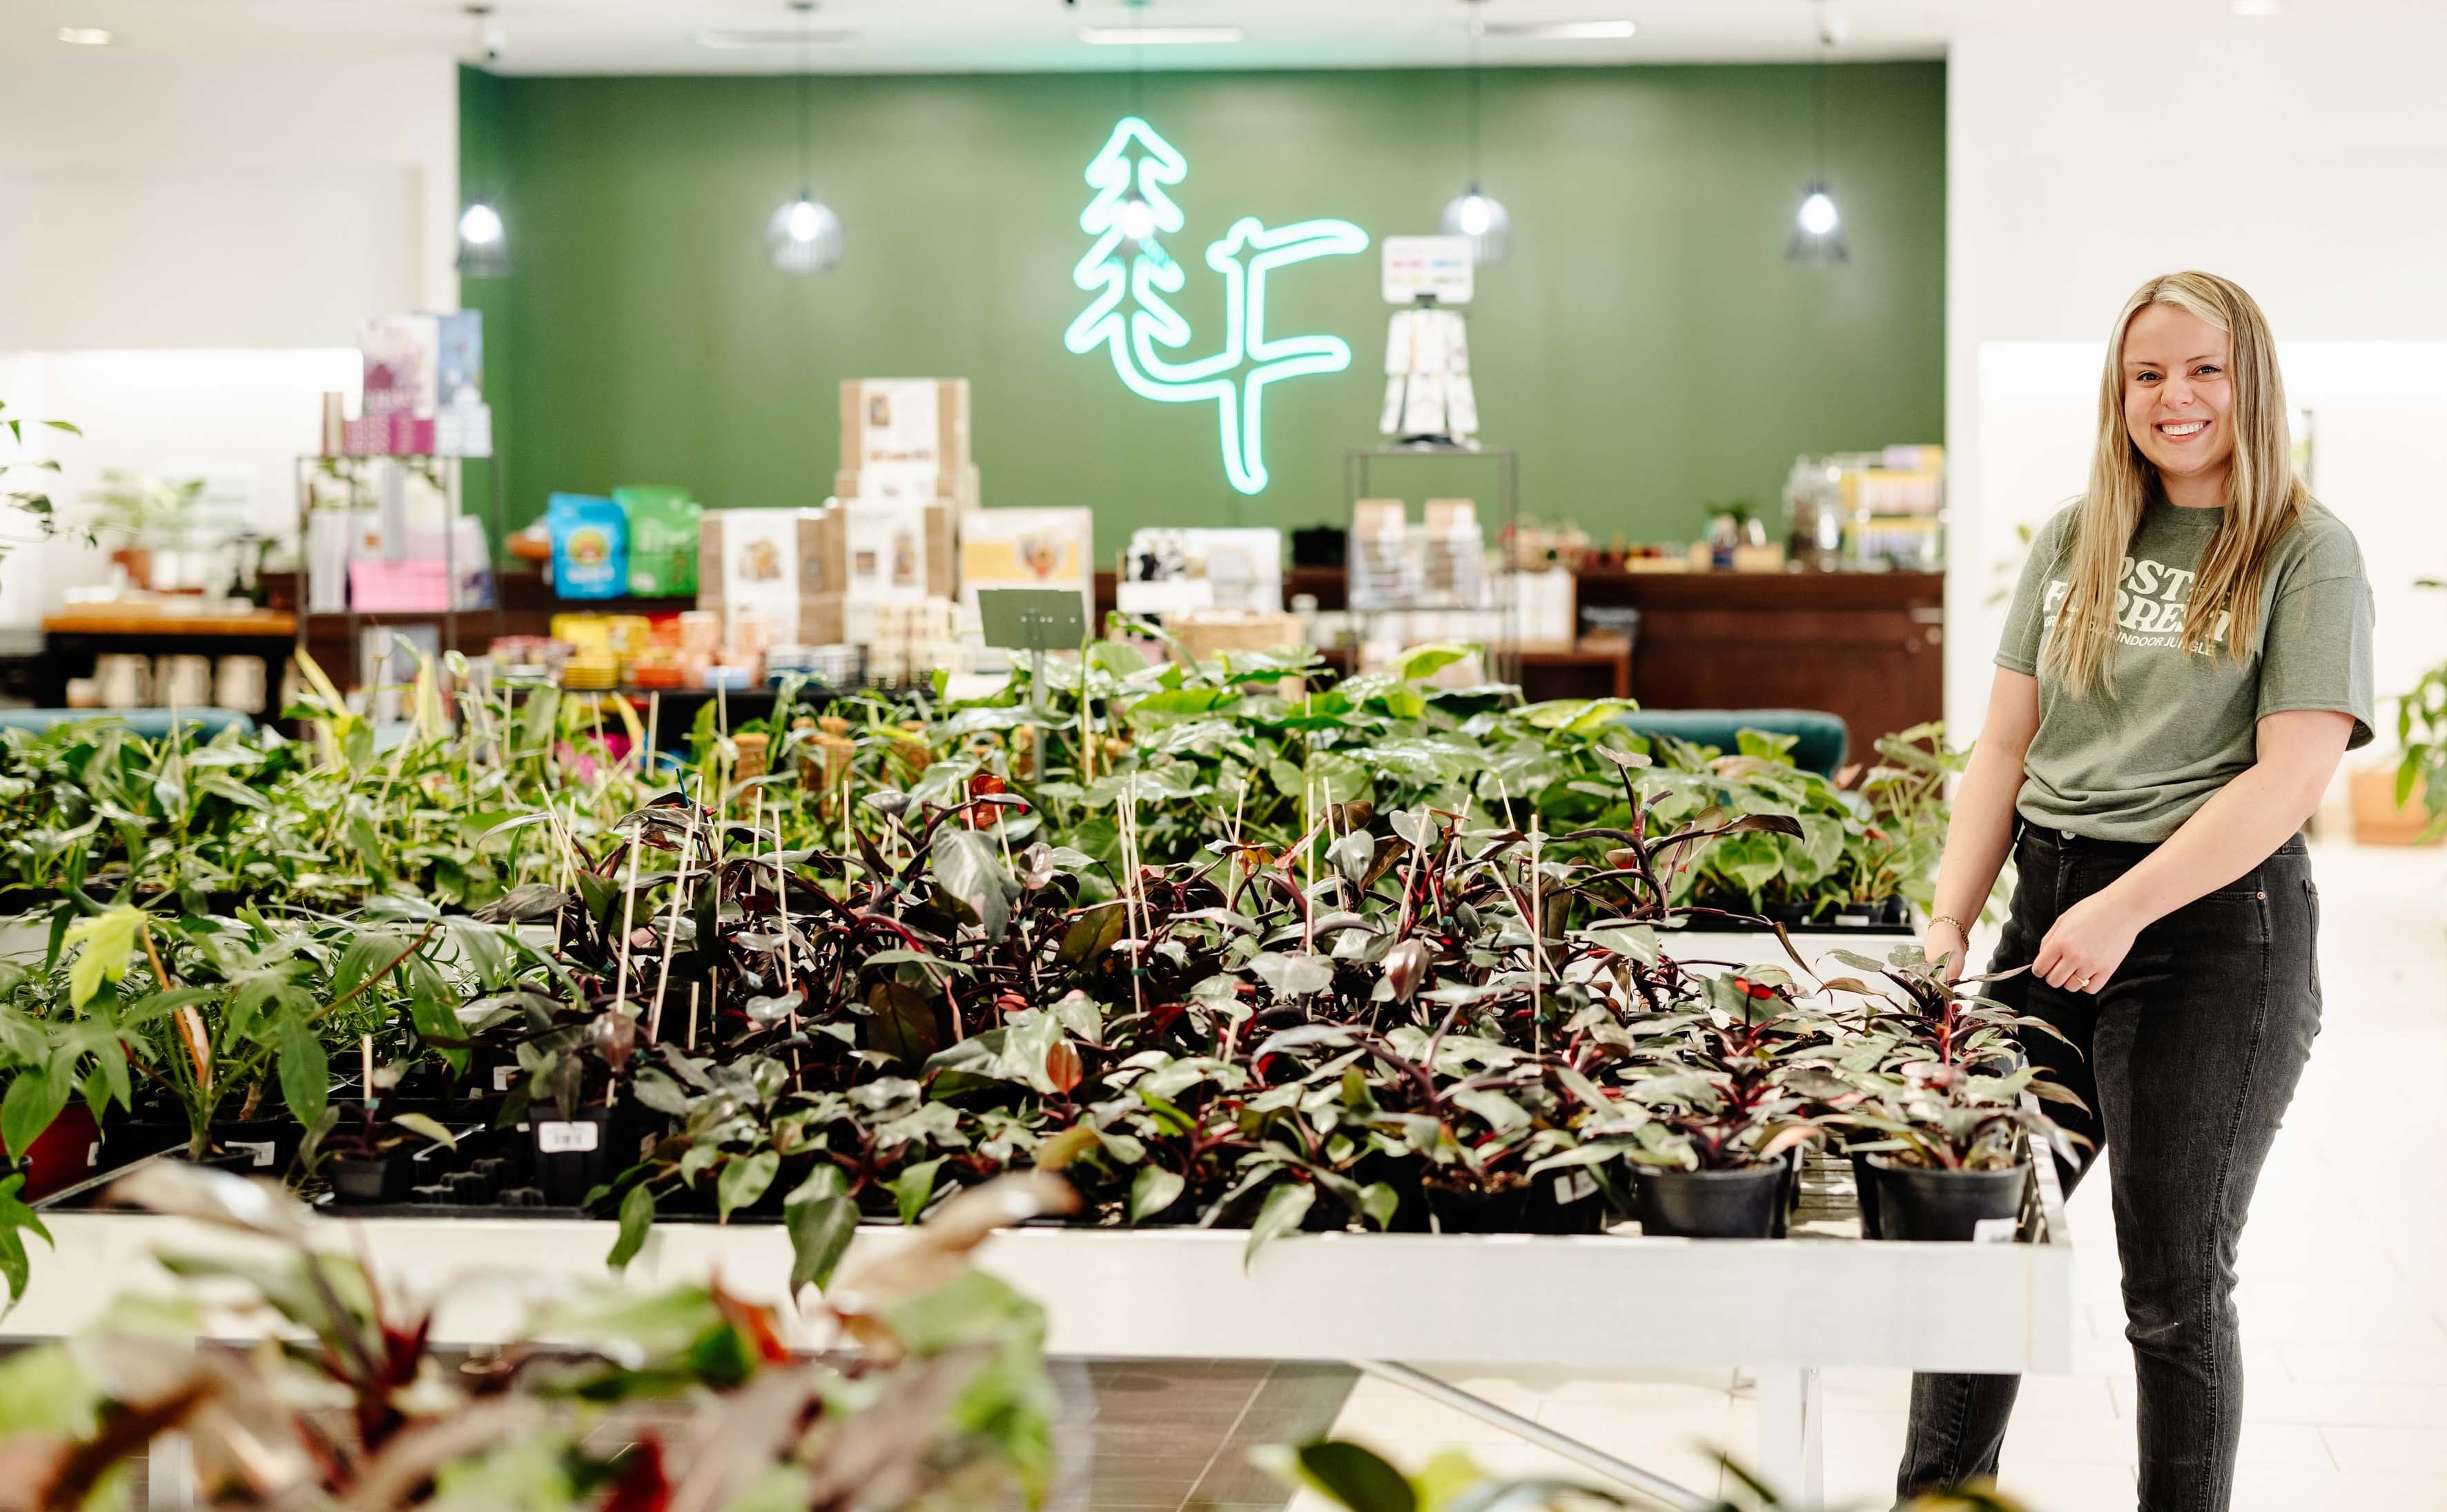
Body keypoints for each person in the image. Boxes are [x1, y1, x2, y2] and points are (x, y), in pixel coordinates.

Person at [1895, 271, 2374, 1511]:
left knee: (2170, 1282)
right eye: (2148, 373)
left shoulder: (2307, 552)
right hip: (2046, 903)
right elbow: (2004, 746)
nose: (2175, 397)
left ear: (2249, 380)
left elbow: (2288, 781)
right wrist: (1951, 917)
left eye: (2203, 369)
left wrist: (2124, 909)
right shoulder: (2077, 535)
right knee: (1983, 1239)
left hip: (2211, 932)